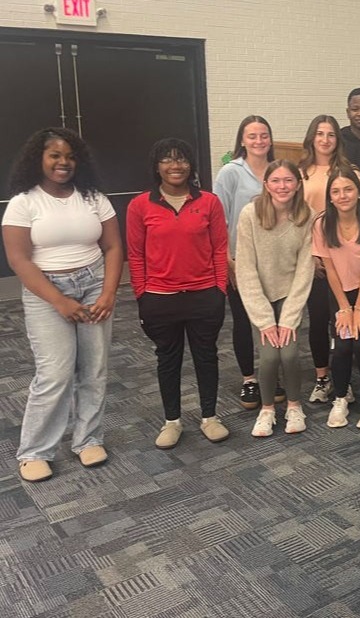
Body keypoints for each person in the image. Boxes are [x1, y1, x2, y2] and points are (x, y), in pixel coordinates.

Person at [3, 127, 122, 482]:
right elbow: (19, 260)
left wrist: (108, 294)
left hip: (94, 284)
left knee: (94, 369)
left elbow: (114, 247)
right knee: (54, 372)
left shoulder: (93, 197)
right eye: (55, 155)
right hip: (45, 290)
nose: (63, 162)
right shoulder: (24, 202)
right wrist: (59, 301)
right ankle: (36, 451)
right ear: (38, 159)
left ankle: (88, 439)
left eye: (69, 156)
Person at [127, 138, 230, 449]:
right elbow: (135, 255)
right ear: (157, 167)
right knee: (168, 360)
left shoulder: (209, 202)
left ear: (191, 165)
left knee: (206, 356)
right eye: (167, 160)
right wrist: (142, 295)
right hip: (160, 297)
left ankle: (210, 417)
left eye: (182, 159)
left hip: (203, 295)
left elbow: (220, 249)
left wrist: (219, 290)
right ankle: (172, 420)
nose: (175, 166)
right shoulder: (140, 205)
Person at [235, 160, 314, 437]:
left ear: (298, 184)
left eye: (289, 180)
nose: (283, 186)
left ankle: (294, 406)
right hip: (260, 297)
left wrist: (289, 318)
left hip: (290, 295)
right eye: (276, 181)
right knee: (269, 357)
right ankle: (267, 409)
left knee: (290, 354)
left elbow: (305, 271)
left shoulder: (307, 216)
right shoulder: (250, 214)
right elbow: (245, 269)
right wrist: (265, 321)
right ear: (266, 185)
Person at [213, 115, 284, 410]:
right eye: (252, 136)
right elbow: (219, 219)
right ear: (242, 140)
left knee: (275, 321)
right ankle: (249, 379)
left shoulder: (279, 171)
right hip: (240, 260)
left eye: (264, 135)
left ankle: (272, 375)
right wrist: (227, 261)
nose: (259, 141)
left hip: (277, 261)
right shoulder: (230, 172)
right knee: (244, 321)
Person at [312, 167, 360, 429]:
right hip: (340, 291)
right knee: (343, 346)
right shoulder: (322, 224)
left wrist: (359, 308)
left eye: (348, 189)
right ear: (330, 197)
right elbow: (330, 270)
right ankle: (341, 398)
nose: (342, 195)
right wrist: (345, 308)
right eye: (336, 191)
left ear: (358, 193)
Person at [299, 115, 360, 403]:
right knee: (318, 320)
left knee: (342, 320)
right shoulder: (300, 173)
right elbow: (295, 219)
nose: (325, 140)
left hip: (345, 262)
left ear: (338, 139)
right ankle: (322, 377)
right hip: (312, 259)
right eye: (320, 133)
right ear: (312, 137)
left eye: (331, 134)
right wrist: (312, 257)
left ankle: (343, 380)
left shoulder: (349, 172)